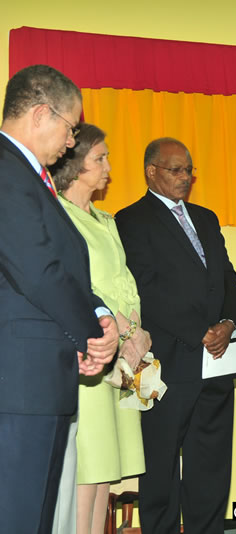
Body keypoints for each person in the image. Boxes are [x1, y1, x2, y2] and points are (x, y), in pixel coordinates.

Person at [0, 64, 118, 534]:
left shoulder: (29, 176)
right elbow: (39, 271)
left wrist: (100, 313)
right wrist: (92, 336)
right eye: (70, 128)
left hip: (38, 379)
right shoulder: (6, 170)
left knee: (36, 517)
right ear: (40, 114)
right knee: (18, 517)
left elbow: (62, 266)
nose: (71, 142)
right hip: (18, 383)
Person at [115, 137, 236, 534]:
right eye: (176, 170)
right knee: (160, 467)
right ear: (151, 171)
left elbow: (228, 279)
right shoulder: (130, 220)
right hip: (164, 363)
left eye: (189, 170)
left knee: (211, 466)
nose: (185, 177)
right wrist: (199, 332)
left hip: (215, 360)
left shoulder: (206, 218)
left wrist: (229, 324)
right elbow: (145, 289)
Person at [49, 123, 149, 534]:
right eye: (100, 158)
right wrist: (119, 326)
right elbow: (77, 283)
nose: (109, 167)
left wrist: (138, 330)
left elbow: (124, 279)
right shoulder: (58, 215)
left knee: (106, 468)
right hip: (90, 350)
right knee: (87, 467)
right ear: (76, 165)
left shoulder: (106, 219)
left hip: (120, 355)